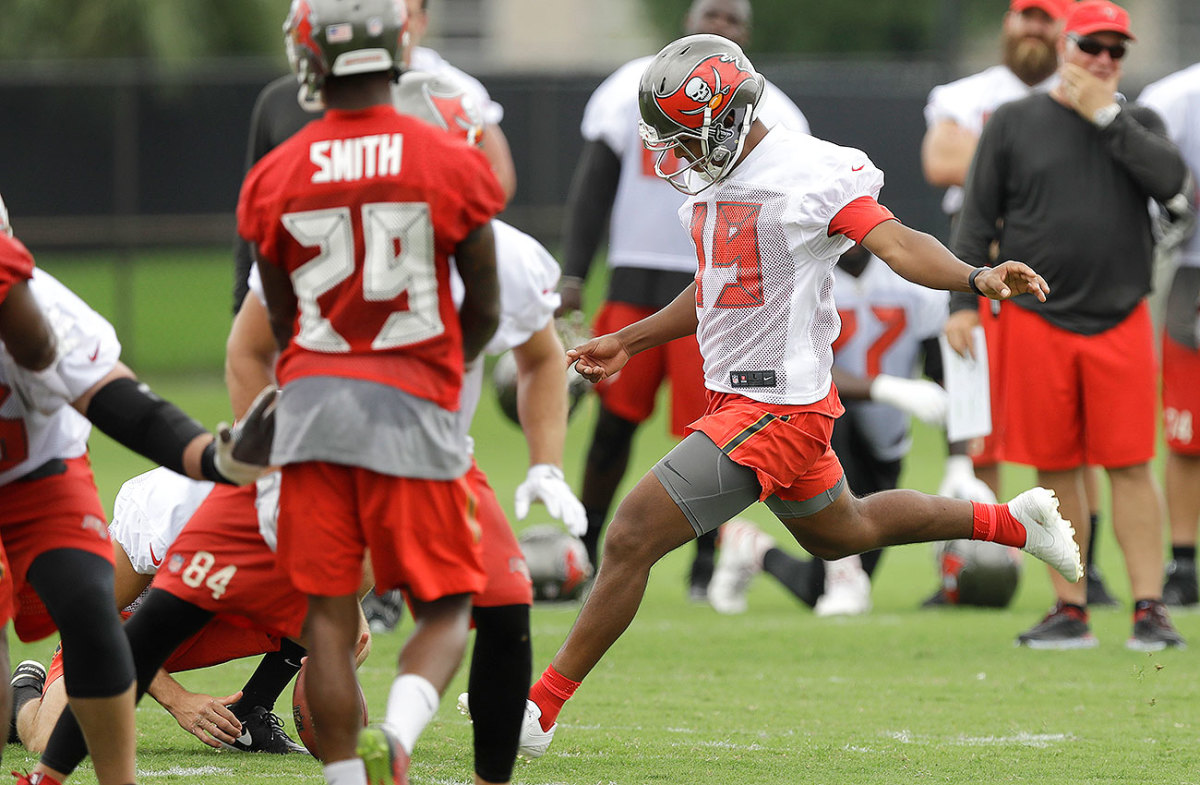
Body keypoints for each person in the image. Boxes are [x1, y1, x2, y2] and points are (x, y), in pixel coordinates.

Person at [480, 33, 1079, 763]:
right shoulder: (720, 183)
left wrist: (974, 277)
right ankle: (1015, 523)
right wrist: (629, 339)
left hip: (778, 409)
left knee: (630, 532)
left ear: (728, 118)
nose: (677, 155)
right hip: (746, 402)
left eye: (685, 137)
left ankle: (537, 709)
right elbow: (718, 283)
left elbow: (894, 241)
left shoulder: (809, 171)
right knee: (845, 531)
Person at [251, 0, 505, 783]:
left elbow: (283, 315)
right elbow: (486, 304)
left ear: (310, 59)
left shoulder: (275, 172)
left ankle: (344, 777)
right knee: (451, 603)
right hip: (413, 404)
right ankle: (394, 733)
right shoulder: (449, 158)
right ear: (398, 46)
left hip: (315, 409)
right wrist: (430, 368)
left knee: (326, 613)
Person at [951, 0, 1190, 650]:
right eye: (1093, 47)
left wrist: (1105, 116)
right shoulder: (1013, 120)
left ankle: (1149, 607)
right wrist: (962, 304)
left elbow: (1173, 182)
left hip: (1118, 316)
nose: (1105, 61)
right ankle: (1072, 606)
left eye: (1117, 51)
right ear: (1066, 46)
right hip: (1038, 317)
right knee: (1053, 467)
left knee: (1131, 465)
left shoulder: (1135, 119)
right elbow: (976, 218)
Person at [0, 200, 266, 785]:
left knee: (88, 609)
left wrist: (208, 458)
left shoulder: (49, 311)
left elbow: (128, 410)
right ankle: (23, 705)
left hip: (40, 474)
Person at [558, 0, 809, 600]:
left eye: (731, 19)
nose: (718, 26)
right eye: (709, 13)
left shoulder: (778, 112)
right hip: (637, 279)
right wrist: (573, 273)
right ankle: (588, 550)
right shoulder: (631, 86)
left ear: (747, 34)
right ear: (687, 21)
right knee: (613, 428)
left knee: (716, 434)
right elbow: (594, 185)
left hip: (729, 288)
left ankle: (704, 565)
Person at [921, 0, 1118, 607]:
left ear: (1066, 33)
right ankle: (983, 568)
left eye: (1046, 18)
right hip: (979, 278)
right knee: (979, 435)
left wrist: (998, 154)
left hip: (1057, 287)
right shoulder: (963, 92)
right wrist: (1029, 153)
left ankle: (1086, 572)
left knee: (1073, 434)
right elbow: (939, 162)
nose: (1034, 28)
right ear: (1008, 23)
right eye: (1024, 15)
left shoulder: (1087, 94)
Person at [707, 244, 1007, 616]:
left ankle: (748, 547)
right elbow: (800, 369)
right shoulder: (799, 276)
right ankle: (843, 575)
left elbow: (950, 372)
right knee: (825, 409)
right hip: (822, 434)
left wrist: (959, 463)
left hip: (886, 443)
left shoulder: (912, 278)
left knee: (817, 586)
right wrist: (883, 387)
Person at [231, 0, 517, 314]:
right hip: (422, 333)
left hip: (316, 333)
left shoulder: (274, 172)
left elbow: (267, 322)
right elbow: (487, 312)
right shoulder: (449, 138)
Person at [1138, 64, 1200, 609]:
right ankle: (1184, 561)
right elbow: (1160, 196)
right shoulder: (1176, 98)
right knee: (1186, 429)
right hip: (1195, 273)